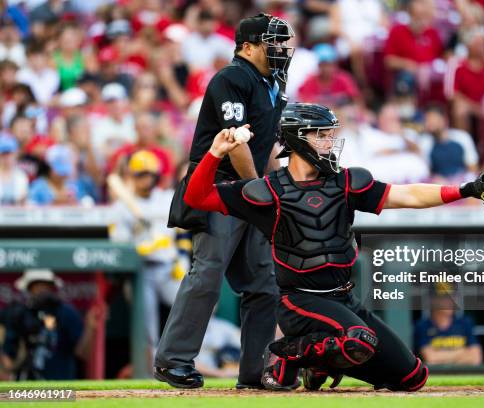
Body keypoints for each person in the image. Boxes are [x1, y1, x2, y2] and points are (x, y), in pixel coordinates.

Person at [183, 102, 484, 391]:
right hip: (299, 301)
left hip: (345, 299)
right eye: (321, 135)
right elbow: (195, 196)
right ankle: (289, 352)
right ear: (297, 139)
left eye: (330, 134)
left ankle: (319, 363)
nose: (330, 142)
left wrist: (466, 189)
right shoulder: (267, 191)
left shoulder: (347, 181)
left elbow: (406, 195)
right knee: (358, 339)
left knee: (413, 377)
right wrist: (215, 153)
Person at [155, 13, 295, 390]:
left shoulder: (272, 84)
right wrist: (258, 189)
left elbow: (269, 146)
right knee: (208, 271)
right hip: (218, 188)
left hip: (250, 190)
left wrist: (277, 187)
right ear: (247, 45)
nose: (281, 49)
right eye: (273, 42)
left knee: (264, 282)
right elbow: (236, 142)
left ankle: (255, 372)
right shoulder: (231, 77)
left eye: (283, 42)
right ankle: (173, 361)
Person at [109, 151, 179, 361]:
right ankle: (149, 374)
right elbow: (118, 243)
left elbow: (181, 232)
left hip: (169, 266)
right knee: (146, 327)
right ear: (132, 176)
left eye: (148, 174)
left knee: (192, 307)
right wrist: (139, 245)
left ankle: (181, 359)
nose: (144, 179)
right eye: (140, 175)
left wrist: (181, 259)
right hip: (140, 272)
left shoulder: (167, 198)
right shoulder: (121, 207)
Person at [0, 270, 97, 380]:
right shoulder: (20, 315)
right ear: (28, 289)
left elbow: (83, 353)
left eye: (46, 286)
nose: (42, 290)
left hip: (60, 388)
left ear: (52, 287)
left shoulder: (66, 313)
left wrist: (90, 327)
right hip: (27, 389)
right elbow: (8, 360)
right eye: (37, 286)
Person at [414, 283, 483, 365]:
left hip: (463, 375)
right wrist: (462, 351)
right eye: (445, 298)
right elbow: (431, 358)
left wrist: (442, 357)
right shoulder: (422, 326)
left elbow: (476, 358)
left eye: (452, 297)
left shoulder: (464, 323)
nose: (450, 302)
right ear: (433, 300)